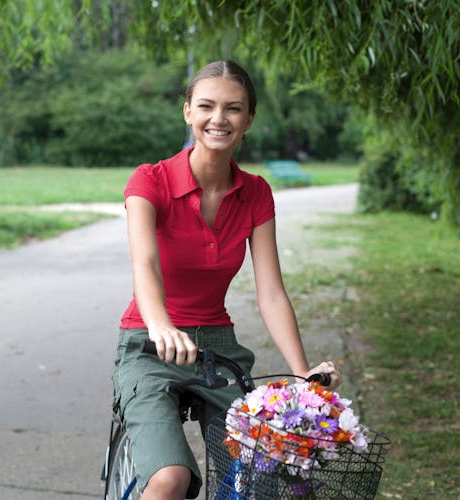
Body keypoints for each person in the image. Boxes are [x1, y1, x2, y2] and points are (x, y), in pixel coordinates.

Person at [112, 60, 341, 500]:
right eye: (207, 106)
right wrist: (161, 326)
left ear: (248, 119)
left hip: (219, 349)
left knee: (264, 466)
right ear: (188, 113)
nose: (219, 119)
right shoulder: (150, 180)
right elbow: (146, 264)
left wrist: (301, 373)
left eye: (233, 109)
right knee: (170, 478)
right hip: (148, 342)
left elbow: (270, 291)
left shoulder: (255, 192)